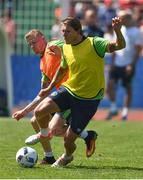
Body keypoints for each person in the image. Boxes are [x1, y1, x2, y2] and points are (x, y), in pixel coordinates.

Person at [24, 16, 125, 167]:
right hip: (69, 90)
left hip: (89, 99)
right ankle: (44, 136)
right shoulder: (65, 47)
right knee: (39, 112)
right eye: (63, 31)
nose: (64, 35)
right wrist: (50, 86)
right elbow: (63, 67)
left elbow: (120, 45)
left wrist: (117, 31)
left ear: (78, 31)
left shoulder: (94, 43)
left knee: (68, 140)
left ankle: (68, 156)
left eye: (68, 31)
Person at [12, 29, 98, 164]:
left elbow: (70, 48)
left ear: (42, 38)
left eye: (34, 42)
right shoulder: (42, 64)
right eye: (30, 44)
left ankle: (80, 140)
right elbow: (43, 93)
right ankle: (50, 156)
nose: (32, 46)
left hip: (71, 95)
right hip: (58, 99)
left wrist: (61, 50)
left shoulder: (52, 46)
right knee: (35, 120)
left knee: (53, 129)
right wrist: (24, 111)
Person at [106, 10, 143, 120]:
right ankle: (113, 108)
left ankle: (125, 112)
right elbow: (114, 46)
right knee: (110, 86)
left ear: (127, 19)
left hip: (127, 64)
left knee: (127, 88)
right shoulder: (119, 29)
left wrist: (131, 64)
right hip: (117, 63)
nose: (119, 20)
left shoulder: (136, 32)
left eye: (121, 18)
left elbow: (138, 50)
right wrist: (112, 63)